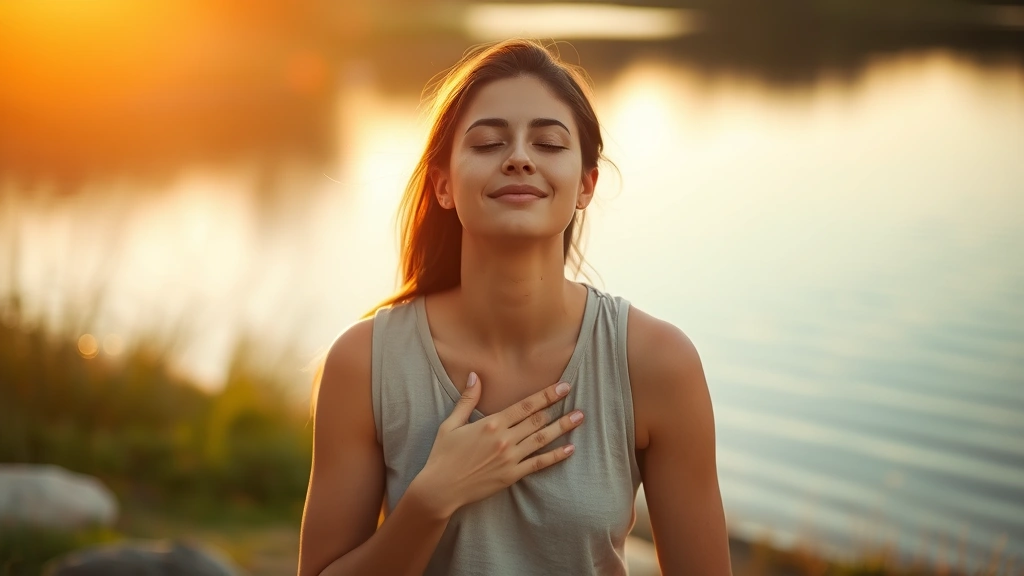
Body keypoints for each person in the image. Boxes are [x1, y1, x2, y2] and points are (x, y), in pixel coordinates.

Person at [297, 39, 732, 576]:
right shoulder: (364, 362)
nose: (519, 158)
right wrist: (431, 500)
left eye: (548, 143)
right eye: (487, 144)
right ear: (443, 185)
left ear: (585, 185)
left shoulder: (656, 362)